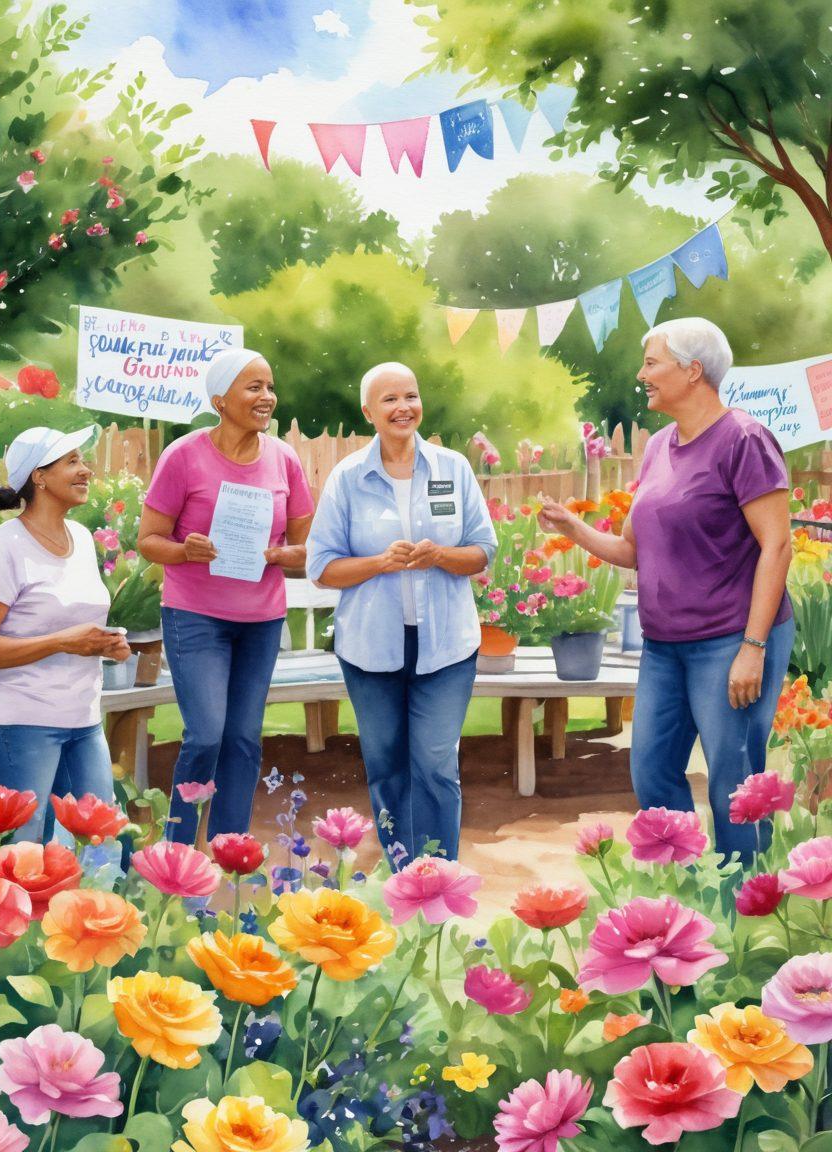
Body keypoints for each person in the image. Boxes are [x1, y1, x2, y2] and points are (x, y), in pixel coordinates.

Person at [538, 317, 793, 863]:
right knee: (652, 771)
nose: (641, 374)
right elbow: (633, 550)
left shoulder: (744, 439)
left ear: (692, 370)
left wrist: (753, 647)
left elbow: (777, 546)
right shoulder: (658, 446)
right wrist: (573, 528)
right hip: (665, 645)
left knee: (733, 780)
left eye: (651, 363)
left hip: (730, 638)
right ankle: (687, 885)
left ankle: (744, 895)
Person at [307, 362, 496, 864]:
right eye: (389, 399)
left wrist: (441, 556)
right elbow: (320, 567)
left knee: (435, 762)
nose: (403, 407)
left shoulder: (453, 468)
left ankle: (439, 873)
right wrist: (378, 563)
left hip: (447, 644)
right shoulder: (348, 478)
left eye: (410, 396)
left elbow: (483, 551)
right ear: (368, 412)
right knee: (387, 765)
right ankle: (403, 872)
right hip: (371, 646)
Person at [138, 348, 314, 845]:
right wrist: (184, 550)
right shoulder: (183, 456)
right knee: (206, 734)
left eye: (270, 386)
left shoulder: (284, 459)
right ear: (219, 399)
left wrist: (286, 555)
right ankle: (177, 849)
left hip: (261, 620)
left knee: (242, 737)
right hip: (196, 616)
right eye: (253, 387)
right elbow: (148, 540)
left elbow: (307, 547)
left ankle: (229, 848)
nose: (267, 397)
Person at [0, 425, 130, 842]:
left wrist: (107, 645)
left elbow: (75, 623)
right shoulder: (5, 547)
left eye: (83, 460)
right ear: (39, 476)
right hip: (21, 723)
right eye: (72, 461)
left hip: (83, 720)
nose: (86, 470)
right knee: (26, 853)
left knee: (102, 845)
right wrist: (63, 642)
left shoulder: (82, 539)